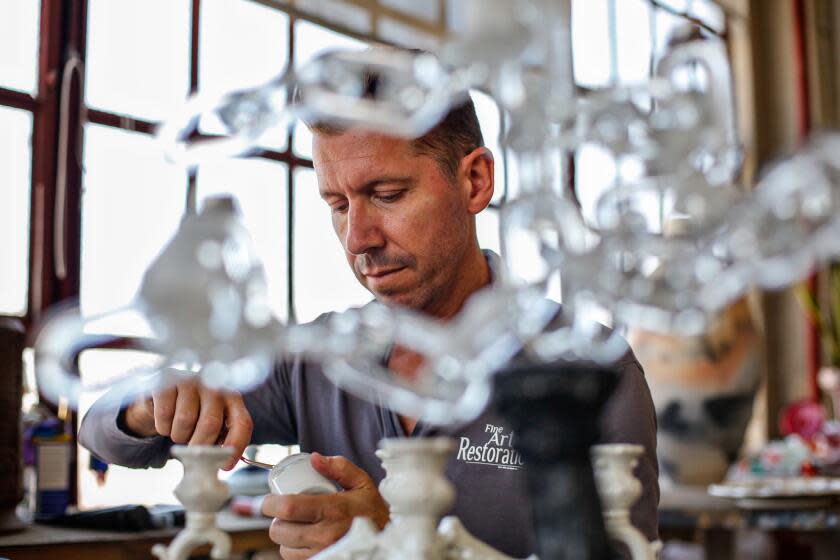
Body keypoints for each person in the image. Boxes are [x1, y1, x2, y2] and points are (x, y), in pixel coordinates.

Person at [79, 64, 658, 559]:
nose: (358, 238)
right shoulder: (316, 362)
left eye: (387, 195)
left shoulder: (591, 371)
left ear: (475, 181)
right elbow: (101, 430)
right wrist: (157, 400)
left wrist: (397, 538)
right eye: (337, 204)